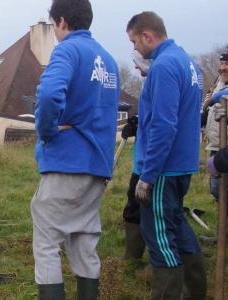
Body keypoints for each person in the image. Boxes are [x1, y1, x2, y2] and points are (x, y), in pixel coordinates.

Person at [30, 1, 119, 298]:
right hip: (98, 165)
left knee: (46, 243)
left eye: (53, 25)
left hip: (67, 162)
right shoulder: (107, 59)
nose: (54, 32)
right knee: (84, 240)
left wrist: (47, 132)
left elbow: (49, 93)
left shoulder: (68, 50)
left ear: (62, 21)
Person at [127, 11, 206, 299]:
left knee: (159, 236)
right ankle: (196, 291)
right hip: (182, 165)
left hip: (163, 170)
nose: (135, 49)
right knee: (176, 225)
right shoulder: (188, 62)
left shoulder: (163, 66)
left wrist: (147, 176)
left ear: (147, 36)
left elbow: (163, 123)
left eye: (135, 42)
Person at [118, 50, 151, 262]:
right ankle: (132, 255)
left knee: (153, 216)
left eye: (137, 63)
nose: (135, 68)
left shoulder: (160, 80)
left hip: (152, 164)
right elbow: (150, 119)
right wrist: (137, 124)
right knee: (133, 207)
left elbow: (162, 125)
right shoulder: (149, 84)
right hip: (141, 163)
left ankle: (159, 265)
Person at [199, 49, 228, 245]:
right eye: (222, 63)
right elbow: (206, 109)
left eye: (227, 63)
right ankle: (224, 236)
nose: (223, 66)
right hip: (216, 145)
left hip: (226, 149)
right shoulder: (218, 85)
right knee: (218, 190)